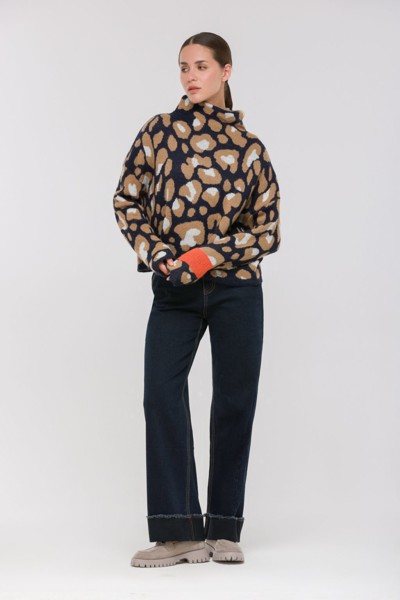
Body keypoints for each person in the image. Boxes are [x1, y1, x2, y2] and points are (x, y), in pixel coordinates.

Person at [112, 31, 281, 568]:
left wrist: (212, 253)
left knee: (234, 402)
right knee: (161, 396)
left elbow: (268, 230)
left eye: (202, 66)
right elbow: (126, 200)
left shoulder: (250, 148)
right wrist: (160, 252)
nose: (190, 75)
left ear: (226, 71)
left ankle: (225, 528)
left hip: (237, 290)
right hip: (174, 289)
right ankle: (178, 531)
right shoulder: (159, 131)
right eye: (184, 66)